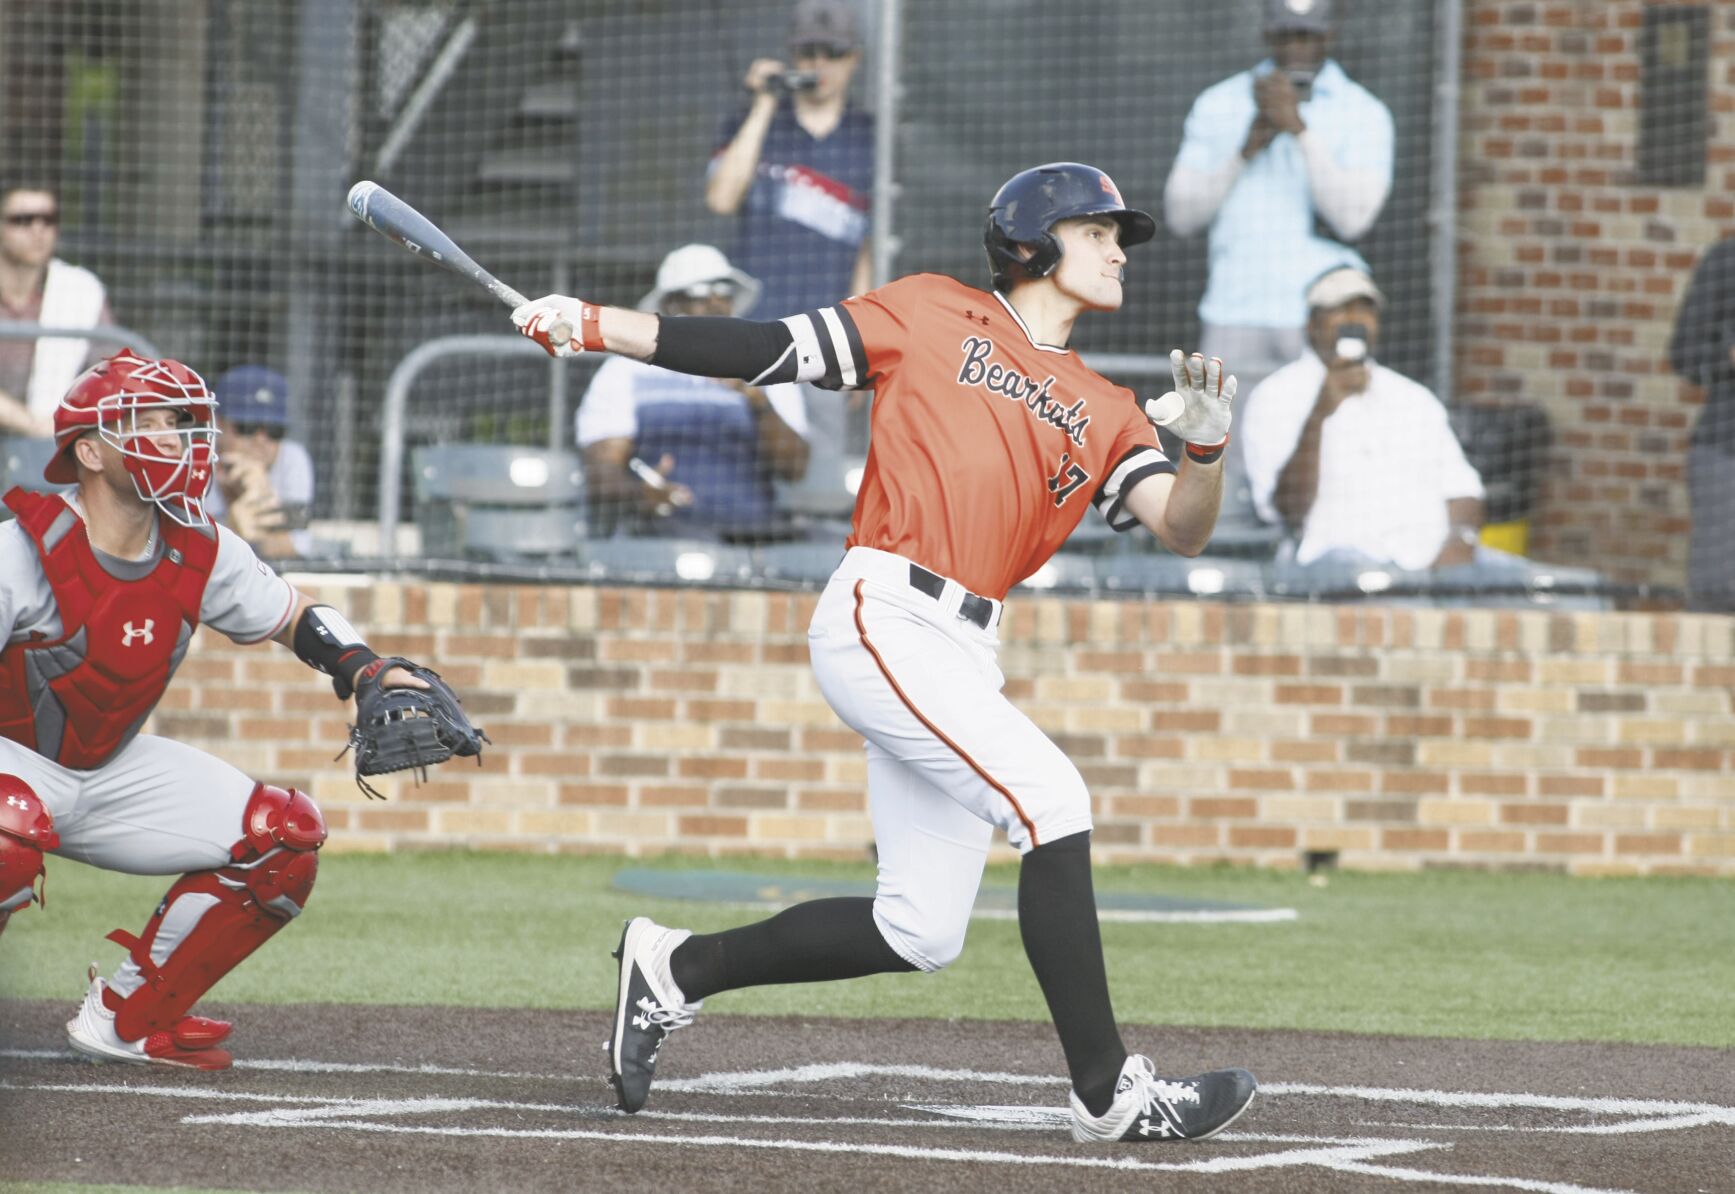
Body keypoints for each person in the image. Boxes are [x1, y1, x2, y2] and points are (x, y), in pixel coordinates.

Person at [513, 162, 1258, 1144]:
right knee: (1052, 800)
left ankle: (672, 969)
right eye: (1096, 231)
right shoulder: (931, 311)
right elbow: (766, 347)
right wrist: (599, 323)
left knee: (919, 929)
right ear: (1034, 242)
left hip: (966, 644)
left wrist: (1205, 449)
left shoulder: (1106, 404)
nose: (1119, 249)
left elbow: (1184, 528)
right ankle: (1106, 1095)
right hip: (885, 611)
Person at [0, 348, 467, 1069]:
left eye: (184, 425)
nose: (181, 442)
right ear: (90, 450)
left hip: (105, 766)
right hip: (10, 762)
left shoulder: (199, 546)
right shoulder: (22, 549)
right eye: (153, 424)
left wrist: (368, 666)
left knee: (284, 836)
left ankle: (127, 1020)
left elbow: (292, 615)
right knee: (8, 831)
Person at [1162, 0, 1393, 398]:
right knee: (1221, 452)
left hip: (1321, 312)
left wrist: (1301, 132)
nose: (1296, 48)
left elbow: (1354, 219)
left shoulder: (1364, 111)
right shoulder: (1220, 103)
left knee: (1321, 447)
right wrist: (1243, 152)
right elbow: (1181, 217)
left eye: (1307, 36)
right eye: (1286, 35)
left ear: (1330, 33)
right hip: (1234, 309)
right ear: (1267, 33)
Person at [1239, 266, 1492, 574]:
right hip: (1339, 559)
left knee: (1543, 592)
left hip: (1433, 556)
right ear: (1313, 324)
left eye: (1366, 311)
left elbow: (1463, 487)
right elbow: (1287, 510)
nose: (1356, 320)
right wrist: (1320, 412)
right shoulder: (1276, 395)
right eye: (1342, 310)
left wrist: (1459, 543)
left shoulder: (1413, 396)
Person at [576, 245, 810, 541]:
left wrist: (757, 401)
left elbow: (794, 469)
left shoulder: (767, 365)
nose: (715, 301)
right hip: (660, 535)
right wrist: (640, 494)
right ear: (670, 304)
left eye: (723, 290)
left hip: (752, 535)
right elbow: (601, 472)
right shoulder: (625, 370)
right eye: (699, 292)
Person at [705, 0, 874, 320]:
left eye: (833, 53)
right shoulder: (752, 121)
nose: (819, 64)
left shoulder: (870, 136)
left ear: (854, 58)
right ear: (792, 54)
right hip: (753, 324)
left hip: (829, 330)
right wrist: (764, 103)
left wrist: (860, 327)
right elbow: (720, 200)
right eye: (808, 52)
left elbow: (871, 245)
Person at [0, 183, 112, 439]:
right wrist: (29, 423)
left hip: (49, 452)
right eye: (22, 220)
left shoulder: (79, 290)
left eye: (48, 220)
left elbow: (108, 375)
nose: (38, 230)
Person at [1667, 236, 1735, 612]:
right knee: (1720, 596)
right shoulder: (1728, 259)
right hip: (1728, 452)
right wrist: (1728, 360)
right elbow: (1684, 352)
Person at [205, 365, 316, 558]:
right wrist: (231, 517)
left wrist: (261, 495)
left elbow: (291, 554)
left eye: (274, 431)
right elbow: (193, 558)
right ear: (218, 423)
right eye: (248, 427)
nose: (261, 440)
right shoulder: (193, 462)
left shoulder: (292, 459)